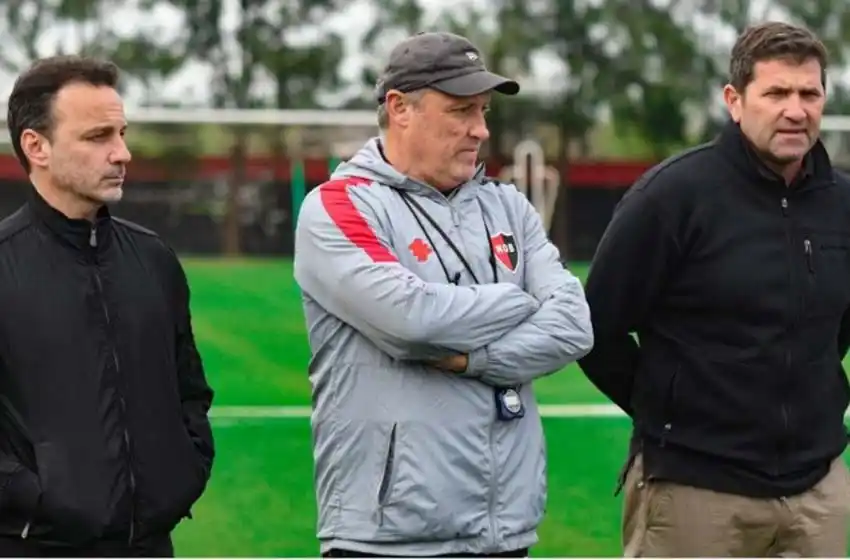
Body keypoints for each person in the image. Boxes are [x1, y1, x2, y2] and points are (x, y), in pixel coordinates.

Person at [294, 31, 593, 558]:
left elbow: (573, 326)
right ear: (399, 108)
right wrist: (520, 301)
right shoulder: (339, 207)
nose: (480, 129)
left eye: (482, 111)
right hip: (389, 539)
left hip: (506, 530)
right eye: (460, 111)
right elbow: (413, 322)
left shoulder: (509, 206)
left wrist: (471, 357)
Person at [578, 21, 850, 557]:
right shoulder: (671, 196)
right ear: (735, 100)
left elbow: (838, 326)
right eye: (776, 93)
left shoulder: (844, 203)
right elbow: (594, 327)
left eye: (808, 93)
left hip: (818, 490)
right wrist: (672, 411)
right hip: (693, 491)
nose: (795, 110)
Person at [0, 55, 215, 556]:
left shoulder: (154, 259)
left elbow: (190, 392)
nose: (122, 153)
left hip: (150, 544)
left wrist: (184, 469)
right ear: (37, 147)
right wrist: (37, 500)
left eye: (121, 133)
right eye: (98, 137)